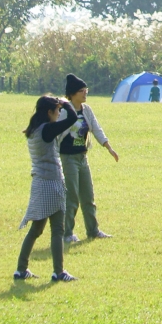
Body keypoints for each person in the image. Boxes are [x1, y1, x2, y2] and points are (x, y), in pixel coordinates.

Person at [16, 95, 81, 283]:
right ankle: (58, 272)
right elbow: (71, 119)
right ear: (49, 112)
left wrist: (60, 104)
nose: (59, 113)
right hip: (52, 183)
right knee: (58, 230)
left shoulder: (34, 130)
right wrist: (67, 103)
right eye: (57, 110)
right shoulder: (47, 130)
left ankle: (21, 269)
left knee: (36, 229)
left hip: (39, 183)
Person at [58, 74, 118, 245]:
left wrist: (108, 147)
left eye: (86, 90)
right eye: (81, 91)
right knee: (71, 198)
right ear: (72, 93)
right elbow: (55, 134)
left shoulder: (87, 110)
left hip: (82, 157)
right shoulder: (64, 111)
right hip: (67, 158)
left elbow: (96, 129)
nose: (85, 94)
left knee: (88, 197)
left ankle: (93, 231)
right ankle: (67, 234)